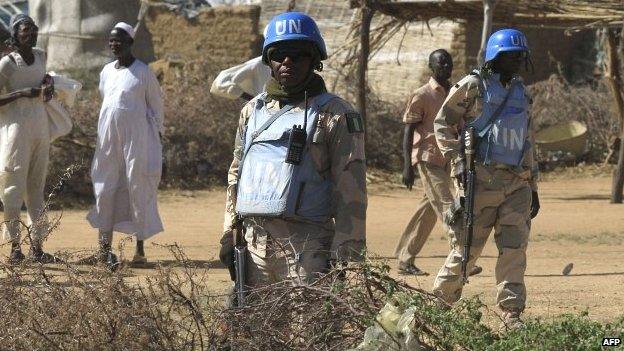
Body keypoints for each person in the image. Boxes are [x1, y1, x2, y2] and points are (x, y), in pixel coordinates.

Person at [220, 12, 367, 288]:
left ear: (314, 59)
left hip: (308, 248)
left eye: (297, 54)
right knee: (258, 330)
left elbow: (351, 190)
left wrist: (345, 255)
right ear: (269, 60)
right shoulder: (252, 111)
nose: (287, 61)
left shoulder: (336, 114)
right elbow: (236, 175)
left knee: (309, 330)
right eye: (279, 54)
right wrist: (229, 234)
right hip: (253, 247)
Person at [432, 28, 540, 327]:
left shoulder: (521, 92)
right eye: (510, 55)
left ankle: (511, 313)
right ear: (495, 57)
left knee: (514, 250)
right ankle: (435, 308)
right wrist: (457, 163)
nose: (517, 61)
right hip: (480, 181)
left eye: (521, 56)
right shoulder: (473, 85)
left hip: (517, 183)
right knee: (466, 253)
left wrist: (533, 185)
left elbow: (527, 140)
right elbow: (442, 123)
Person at [395, 49, 482, 277]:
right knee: (448, 206)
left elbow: (463, 126)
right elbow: (408, 131)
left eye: (448, 63)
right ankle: (463, 258)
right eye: (440, 64)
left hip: (449, 158)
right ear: (431, 67)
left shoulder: (455, 93)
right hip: (428, 157)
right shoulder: (421, 95)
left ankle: (405, 258)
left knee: (428, 211)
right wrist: (407, 166)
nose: (445, 67)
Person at [86, 22, 164, 268]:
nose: (113, 44)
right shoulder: (107, 71)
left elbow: (156, 110)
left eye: (118, 40)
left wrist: (155, 144)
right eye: (111, 40)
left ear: (130, 43)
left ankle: (139, 250)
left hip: (137, 141)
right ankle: (103, 249)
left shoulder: (144, 72)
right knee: (105, 187)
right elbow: (107, 101)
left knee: (137, 187)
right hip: (108, 141)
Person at [0, 14, 55, 263]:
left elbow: (44, 76)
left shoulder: (41, 56)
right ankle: (14, 248)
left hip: (39, 129)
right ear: (15, 35)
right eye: (25, 31)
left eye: (33, 30)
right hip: (16, 131)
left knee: (36, 189)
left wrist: (49, 80)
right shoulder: (7, 64)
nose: (31, 34)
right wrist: (21, 93)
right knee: (13, 188)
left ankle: (37, 247)